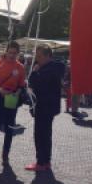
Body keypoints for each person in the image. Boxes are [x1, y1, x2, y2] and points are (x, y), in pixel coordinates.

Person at [25, 44, 65, 172]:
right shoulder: (54, 68)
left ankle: (41, 162)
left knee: (40, 135)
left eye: (39, 56)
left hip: (43, 107)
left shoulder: (47, 70)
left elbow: (34, 82)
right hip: (48, 107)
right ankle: (46, 161)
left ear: (48, 56)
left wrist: (35, 72)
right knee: (46, 134)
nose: (37, 58)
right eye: (37, 55)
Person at [0, 41, 26, 166]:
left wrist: (18, 92)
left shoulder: (20, 67)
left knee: (9, 128)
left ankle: (5, 156)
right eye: (10, 52)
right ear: (6, 51)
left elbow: (21, 85)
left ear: (18, 53)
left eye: (15, 53)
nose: (12, 55)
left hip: (11, 98)